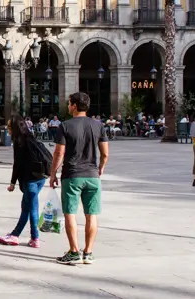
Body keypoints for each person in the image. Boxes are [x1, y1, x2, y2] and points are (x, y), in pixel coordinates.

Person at [50, 92, 108, 266]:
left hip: (72, 176)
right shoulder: (98, 126)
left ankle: (74, 251)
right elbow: (105, 153)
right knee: (92, 215)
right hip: (92, 177)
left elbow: (59, 152)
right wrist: (100, 168)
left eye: (69, 103)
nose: (68, 106)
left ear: (74, 106)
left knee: (70, 214)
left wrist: (53, 173)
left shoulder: (65, 126)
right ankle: (88, 252)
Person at [0, 114, 51, 248]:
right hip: (40, 178)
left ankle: (34, 238)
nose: (7, 129)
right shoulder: (31, 137)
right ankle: (15, 235)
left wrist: (12, 183)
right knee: (26, 208)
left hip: (30, 180)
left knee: (31, 209)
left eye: (9, 127)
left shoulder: (20, 143)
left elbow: (17, 164)